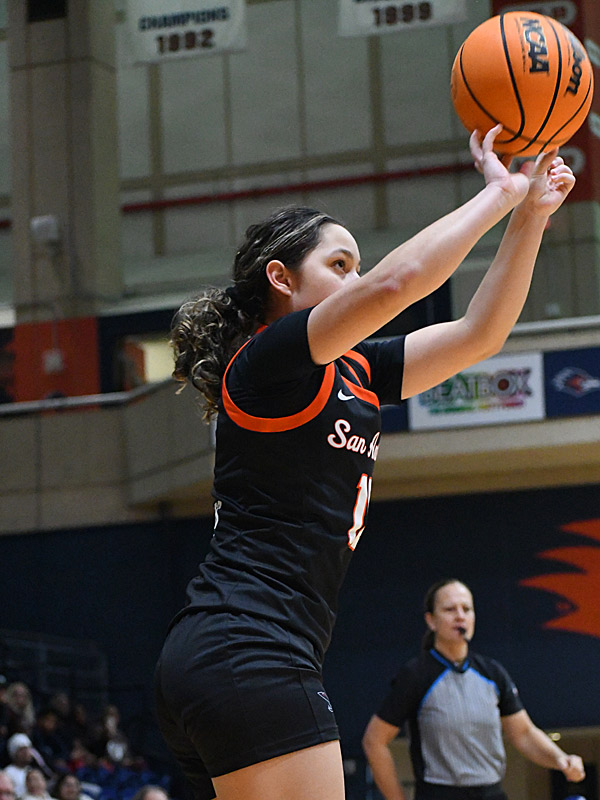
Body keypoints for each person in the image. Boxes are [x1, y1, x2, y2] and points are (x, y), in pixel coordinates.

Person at [154, 125, 575, 800]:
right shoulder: (266, 363)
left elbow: (480, 333)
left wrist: (530, 219)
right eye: (340, 265)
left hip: (230, 652)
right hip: (250, 645)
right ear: (281, 280)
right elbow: (400, 282)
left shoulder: (357, 369)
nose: (357, 278)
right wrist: (500, 191)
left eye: (357, 266)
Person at [362, 579, 586, 800]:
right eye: (450, 609)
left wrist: (560, 759)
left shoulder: (492, 673)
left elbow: (524, 733)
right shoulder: (416, 675)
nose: (460, 615)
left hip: (492, 793)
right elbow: (374, 741)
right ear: (431, 620)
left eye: (466, 609)